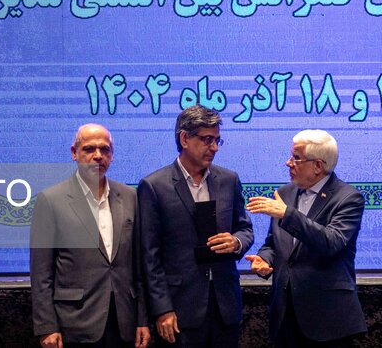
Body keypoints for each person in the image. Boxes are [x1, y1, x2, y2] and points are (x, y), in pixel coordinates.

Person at [137, 105, 254, 347]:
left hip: (225, 306)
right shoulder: (154, 186)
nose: (214, 147)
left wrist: (236, 242)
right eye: (207, 139)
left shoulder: (228, 180)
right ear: (184, 139)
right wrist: (162, 309)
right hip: (180, 308)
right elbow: (149, 256)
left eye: (217, 140)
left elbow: (245, 229)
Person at [30, 123, 151, 348]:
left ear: (112, 155)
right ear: (74, 153)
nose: (98, 156)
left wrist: (143, 319)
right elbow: (41, 274)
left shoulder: (130, 196)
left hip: (124, 321)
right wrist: (47, 326)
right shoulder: (50, 200)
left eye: (105, 149)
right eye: (89, 149)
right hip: (75, 322)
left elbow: (139, 266)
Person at [245, 129, 367, 347]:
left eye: (296, 158)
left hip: (327, 319)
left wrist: (287, 214)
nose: (288, 163)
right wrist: (265, 258)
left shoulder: (348, 198)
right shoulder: (285, 194)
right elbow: (274, 243)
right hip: (285, 315)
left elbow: (331, 242)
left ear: (318, 165)